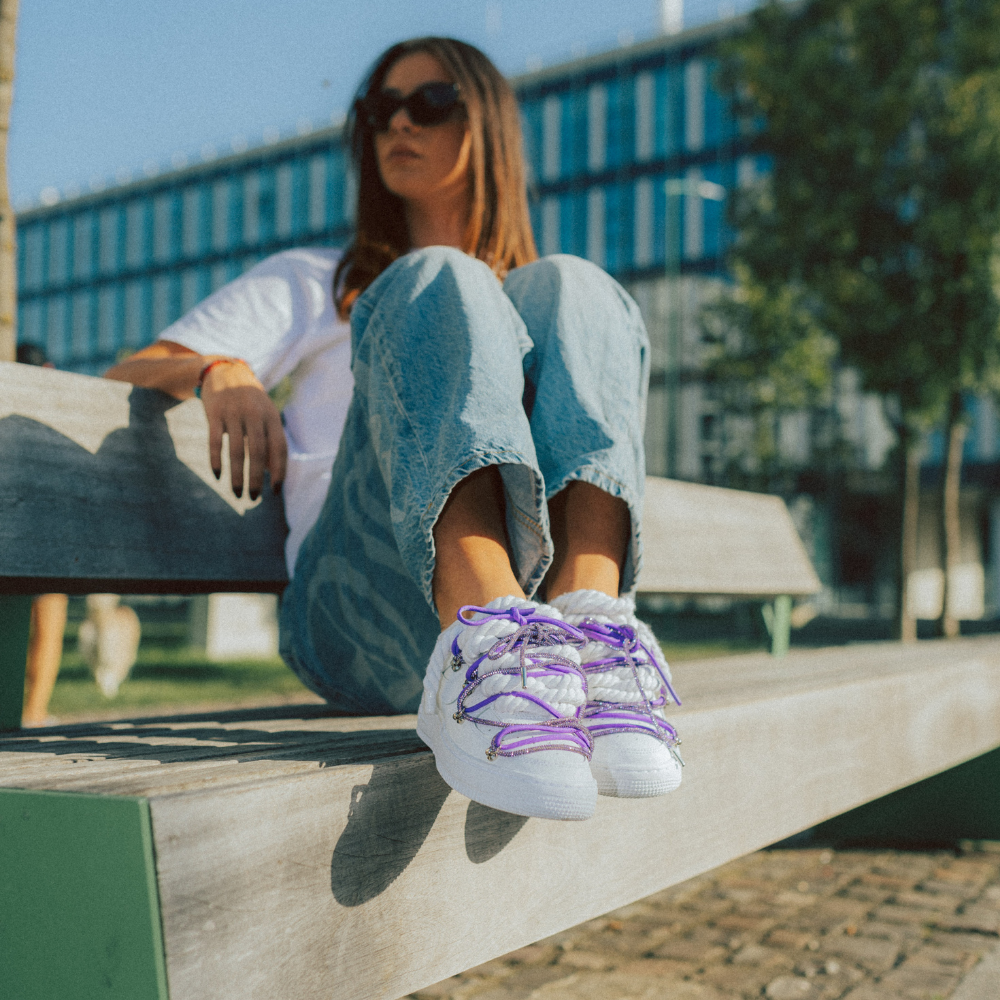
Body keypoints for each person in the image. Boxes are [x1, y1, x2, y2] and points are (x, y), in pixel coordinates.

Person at [105, 37, 682, 821]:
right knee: (439, 280)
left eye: (429, 103)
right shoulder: (323, 281)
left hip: (548, 663)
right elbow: (129, 371)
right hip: (355, 620)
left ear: (488, 125)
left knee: (579, 286)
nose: (398, 125)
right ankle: (488, 629)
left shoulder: (544, 306)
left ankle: (592, 632)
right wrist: (217, 370)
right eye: (379, 111)